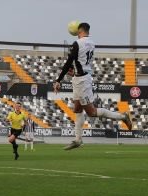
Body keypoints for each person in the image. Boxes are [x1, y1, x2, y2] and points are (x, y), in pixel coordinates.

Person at [53, 23, 132, 151]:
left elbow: (69, 62)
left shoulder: (77, 43)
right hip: (80, 77)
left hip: (82, 81)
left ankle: (122, 116)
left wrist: (58, 80)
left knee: (91, 112)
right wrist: (75, 71)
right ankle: (78, 140)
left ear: (78, 31)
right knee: (77, 109)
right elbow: (81, 60)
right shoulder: (91, 43)